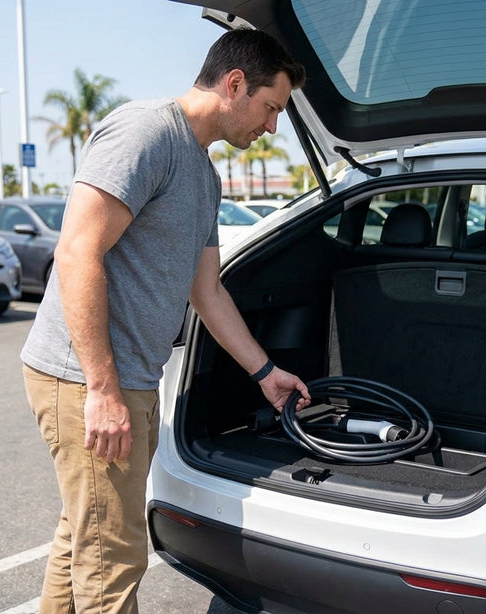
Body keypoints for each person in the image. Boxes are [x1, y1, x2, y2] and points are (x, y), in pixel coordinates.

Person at [19, 28, 309, 613]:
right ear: (234, 84)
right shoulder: (146, 133)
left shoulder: (205, 175)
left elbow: (208, 292)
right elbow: (77, 252)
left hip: (130, 379)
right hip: (86, 378)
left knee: (84, 536)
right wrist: (103, 390)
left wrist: (264, 372)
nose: (273, 126)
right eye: (271, 107)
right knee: (112, 561)